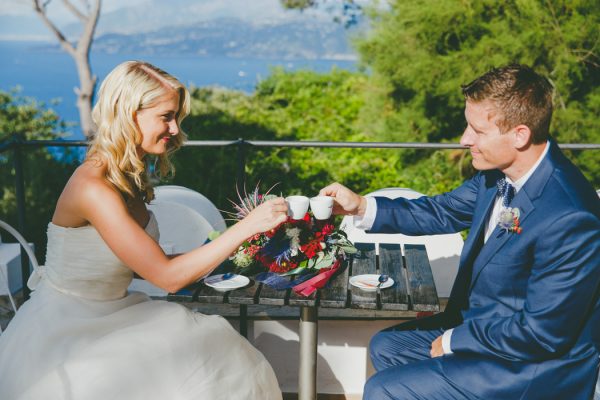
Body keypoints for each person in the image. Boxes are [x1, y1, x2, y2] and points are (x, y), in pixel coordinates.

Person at [0, 61, 287, 400]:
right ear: (127, 114)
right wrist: (246, 226)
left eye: (177, 117)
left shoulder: (127, 176)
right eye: (166, 116)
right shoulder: (94, 187)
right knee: (210, 354)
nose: (175, 128)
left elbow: (149, 263)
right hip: (68, 326)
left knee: (220, 348)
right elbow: (166, 277)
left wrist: (236, 255)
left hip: (114, 312)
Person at [320, 64, 600, 399]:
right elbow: (440, 211)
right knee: (388, 345)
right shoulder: (498, 176)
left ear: (520, 135)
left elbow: (541, 334)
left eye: (477, 131)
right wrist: (361, 206)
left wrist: (454, 340)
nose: (464, 139)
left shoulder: (570, 217)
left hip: (533, 367)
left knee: (383, 390)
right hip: (491, 330)